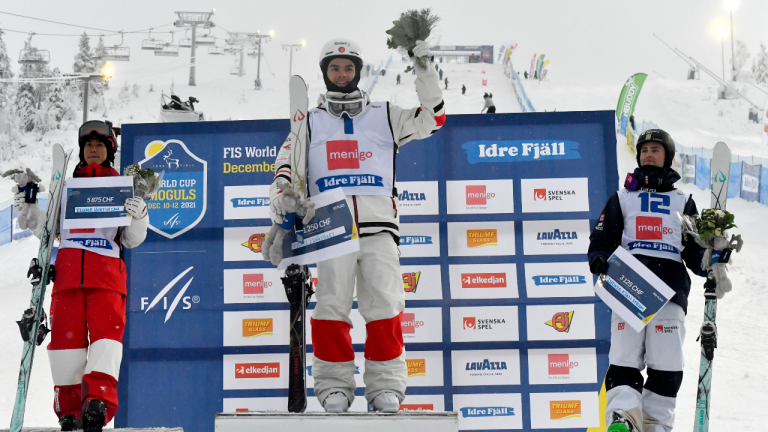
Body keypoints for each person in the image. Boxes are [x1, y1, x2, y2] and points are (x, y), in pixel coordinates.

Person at [265, 38, 445, 413]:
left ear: (358, 72)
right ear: (325, 73)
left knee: (385, 306)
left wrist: (425, 70)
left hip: (379, 227)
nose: (342, 74)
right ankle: (334, 387)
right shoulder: (309, 121)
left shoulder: (385, 113)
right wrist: (283, 195)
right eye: (334, 68)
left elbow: (433, 118)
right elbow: (285, 169)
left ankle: (385, 387)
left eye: (348, 67)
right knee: (331, 307)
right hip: (330, 229)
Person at [18, 120, 149, 432]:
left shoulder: (121, 187)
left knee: (106, 341)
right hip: (67, 279)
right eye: (89, 145)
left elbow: (131, 239)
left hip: (106, 276)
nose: (93, 149)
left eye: (100, 145)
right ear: (82, 151)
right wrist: (31, 209)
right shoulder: (67, 188)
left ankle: (97, 404)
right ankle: (69, 409)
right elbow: (48, 232)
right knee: (66, 346)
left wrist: (139, 214)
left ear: (109, 152)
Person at [588, 129, 708, 432]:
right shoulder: (623, 197)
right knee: (624, 359)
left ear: (667, 156)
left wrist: (713, 261)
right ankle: (624, 419)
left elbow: (695, 253)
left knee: (666, 366)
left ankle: (655, 425)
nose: (648, 154)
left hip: (668, 293)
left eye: (655, 149)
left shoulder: (684, 202)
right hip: (628, 286)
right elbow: (602, 238)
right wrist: (599, 258)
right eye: (644, 150)